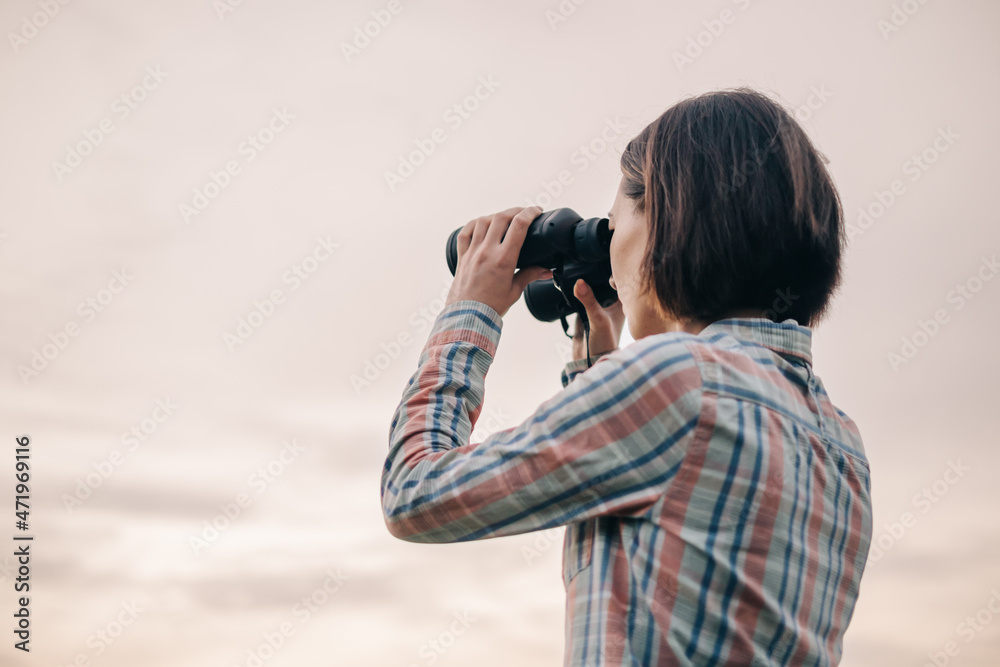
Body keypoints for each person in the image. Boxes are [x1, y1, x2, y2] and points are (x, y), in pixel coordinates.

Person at [381, 86, 873, 666]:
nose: (612, 251)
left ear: (668, 219)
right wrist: (599, 368)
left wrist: (470, 311)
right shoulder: (841, 443)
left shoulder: (676, 383)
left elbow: (415, 494)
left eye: (613, 227)